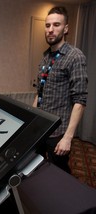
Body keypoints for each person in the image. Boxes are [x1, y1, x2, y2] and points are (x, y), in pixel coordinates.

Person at [33, 6, 88, 174]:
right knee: (38, 168)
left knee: (60, 173)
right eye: (47, 25)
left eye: (56, 25)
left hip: (58, 132)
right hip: (41, 127)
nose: (50, 30)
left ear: (65, 28)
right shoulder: (45, 56)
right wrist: (32, 121)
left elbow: (80, 101)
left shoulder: (75, 56)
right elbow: (39, 93)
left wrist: (68, 138)